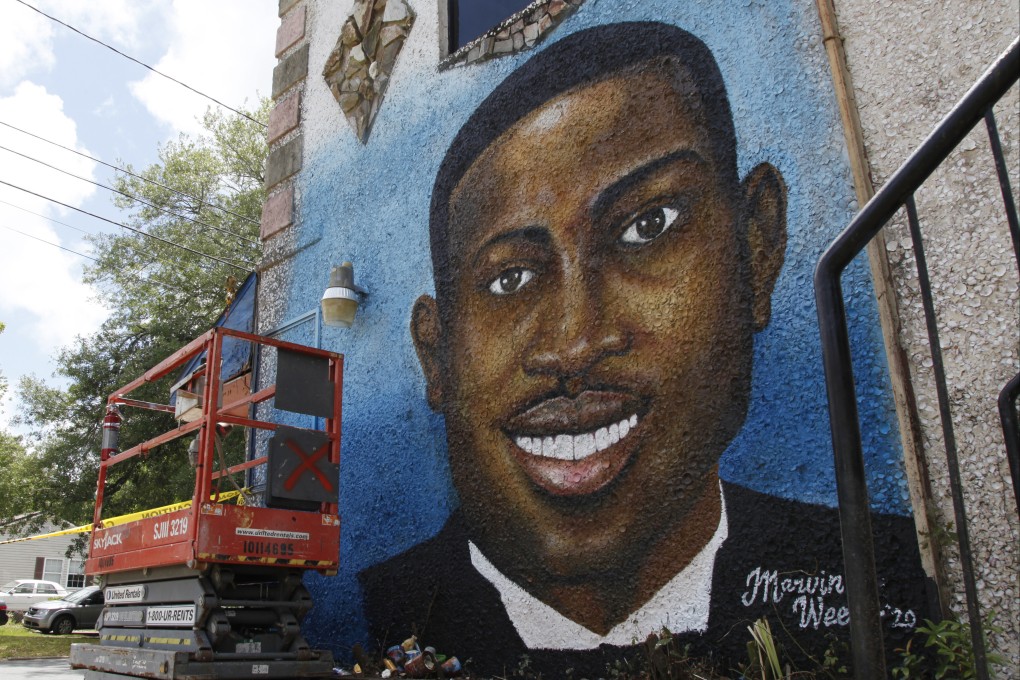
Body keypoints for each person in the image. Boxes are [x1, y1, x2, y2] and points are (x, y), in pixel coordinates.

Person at [360, 22, 929, 676]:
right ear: (437, 357)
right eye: (508, 279)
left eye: (646, 226)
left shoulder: (883, 572)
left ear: (756, 248)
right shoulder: (378, 609)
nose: (576, 343)